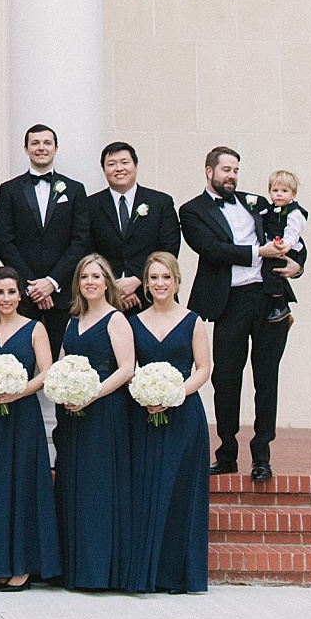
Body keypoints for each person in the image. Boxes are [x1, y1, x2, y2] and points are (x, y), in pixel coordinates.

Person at [179, 146, 304, 481]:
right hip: (229, 302)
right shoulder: (191, 211)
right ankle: (227, 453)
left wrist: (298, 264)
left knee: (266, 379)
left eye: (235, 170)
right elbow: (211, 250)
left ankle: (261, 456)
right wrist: (256, 252)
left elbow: (292, 223)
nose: (232, 175)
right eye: (225, 170)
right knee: (226, 379)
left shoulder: (257, 202)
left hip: (267, 297)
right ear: (209, 171)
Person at [0, 265, 60, 591]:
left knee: (22, 485)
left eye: (11, 292)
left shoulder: (35, 328)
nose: (6, 298)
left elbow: (46, 373)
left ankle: (21, 566)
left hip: (22, 415)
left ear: (20, 295)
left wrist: (15, 391)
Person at [126, 251, 211, 594]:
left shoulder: (193, 321)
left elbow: (204, 369)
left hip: (183, 417)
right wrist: (147, 396)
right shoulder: (133, 322)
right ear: (145, 284)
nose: (159, 284)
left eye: (166, 277)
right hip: (143, 415)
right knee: (145, 490)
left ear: (176, 281)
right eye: (153, 278)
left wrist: (174, 393)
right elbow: (128, 368)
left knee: (178, 494)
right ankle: (146, 572)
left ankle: (178, 575)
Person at [52, 253, 135, 591]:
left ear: (107, 283)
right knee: (74, 484)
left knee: (98, 488)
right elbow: (60, 363)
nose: (90, 282)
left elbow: (127, 367)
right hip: (73, 415)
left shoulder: (116, 320)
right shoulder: (73, 321)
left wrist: (93, 394)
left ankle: (99, 570)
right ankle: (74, 567)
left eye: (96, 277)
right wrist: (64, 390)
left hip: (104, 412)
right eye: (84, 277)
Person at [0, 123, 89, 354]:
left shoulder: (75, 190)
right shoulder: (9, 190)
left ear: (56, 148)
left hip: (63, 292)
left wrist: (52, 282)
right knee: (19, 358)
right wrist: (33, 285)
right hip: (24, 294)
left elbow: (81, 240)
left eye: (47, 143)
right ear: (26, 149)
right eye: (35, 143)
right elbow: (4, 241)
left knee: (65, 361)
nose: (41, 148)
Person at [87, 141, 181, 311]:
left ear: (135, 166)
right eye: (111, 164)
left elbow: (169, 248)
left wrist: (138, 279)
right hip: (106, 298)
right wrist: (116, 289)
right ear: (104, 170)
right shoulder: (90, 205)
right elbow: (87, 250)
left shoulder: (160, 203)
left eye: (124, 162)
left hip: (152, 295)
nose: (119, 168)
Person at [263, 170, 308, 326]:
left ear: (293, 194)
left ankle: (280, 305)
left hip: (293, 250)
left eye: (284, 191)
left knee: (273, 271)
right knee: (270, 270)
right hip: (279, 246)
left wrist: (285, 245)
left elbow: (293, 232)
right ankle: (279, 304)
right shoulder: (270, 210)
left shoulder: (294, 213)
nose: (279, 195)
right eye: (275, 191)